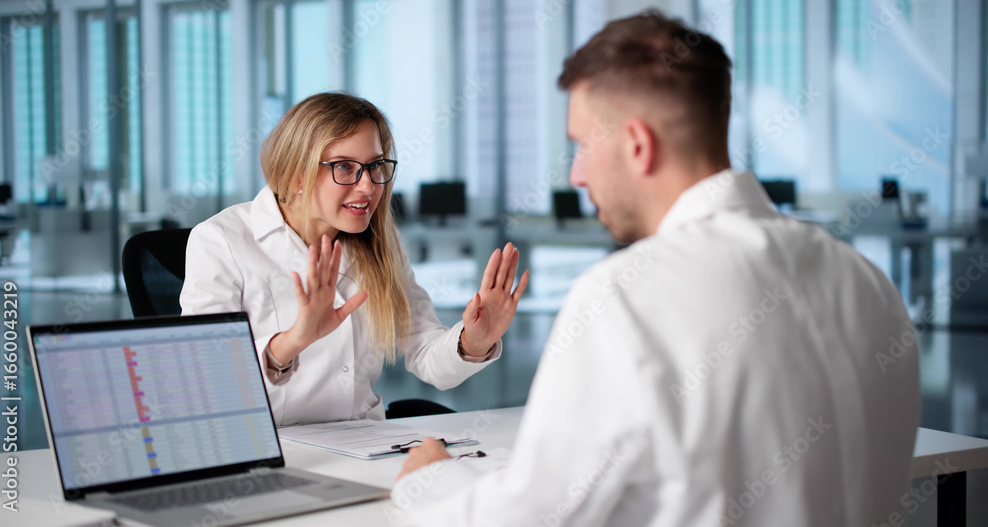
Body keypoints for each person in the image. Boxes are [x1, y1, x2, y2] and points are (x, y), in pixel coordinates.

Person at [393, 10, 920, 526]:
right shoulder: (866, 281)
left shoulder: (625, 295)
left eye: (581, 145)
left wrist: (430, 478)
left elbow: (531, 516)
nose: (576, 175)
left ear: (639, 145)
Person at [180, 93, 529, 426]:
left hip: (364, 442)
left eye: (375, 166)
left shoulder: (379, 239)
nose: (367, 186)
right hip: (276, 447)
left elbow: (424, 352)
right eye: (345, 167)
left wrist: (473, 341)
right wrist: (292, 341)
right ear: (294, 175)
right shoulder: (221, 241)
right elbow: (205, 378)